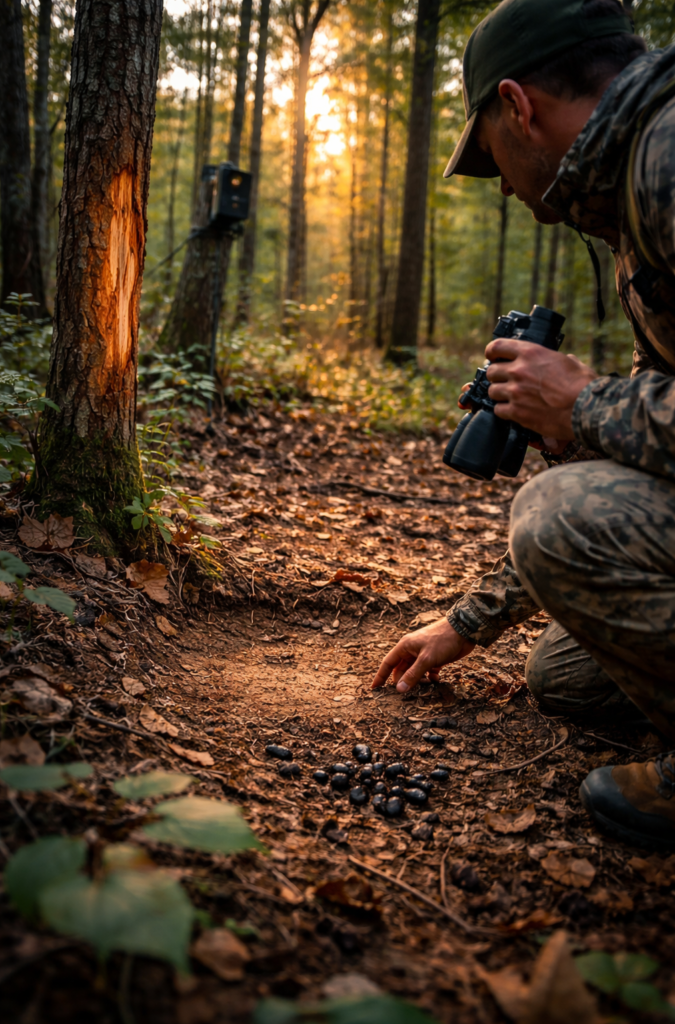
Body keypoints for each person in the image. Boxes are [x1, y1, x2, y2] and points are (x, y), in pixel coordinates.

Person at [372, 0, 675, 852]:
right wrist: (471, 621)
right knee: (567, 674)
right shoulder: (632, 185)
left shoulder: (668, 156)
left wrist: (585, 404)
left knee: (555, 515)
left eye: (491, 160)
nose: (502, 184)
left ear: (516, 105)